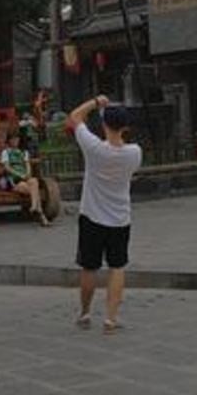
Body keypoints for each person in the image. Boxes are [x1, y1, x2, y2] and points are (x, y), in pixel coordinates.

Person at [66, 94, 142, 333]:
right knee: (117, 267)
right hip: (120, 217)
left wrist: (96, 102)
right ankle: (111, 318)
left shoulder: (94, 148)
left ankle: (85, 313)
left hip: (91, 215)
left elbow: (75, 117)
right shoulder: (134, 153)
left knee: (89, 267)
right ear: (126, 127)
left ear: (104, 125)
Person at [0, 132, 50, 226]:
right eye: (13, 139)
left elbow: (27, 164)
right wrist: (19, 174)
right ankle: (41, 214)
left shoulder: (24, 152)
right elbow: (7, 167)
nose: (15, 141)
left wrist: (27, 173)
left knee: (34, 181)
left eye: (17, 139)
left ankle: (34, 206)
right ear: (9, 141)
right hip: (14, 179)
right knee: (33, 190)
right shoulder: (5, 152)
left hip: (25, 177)